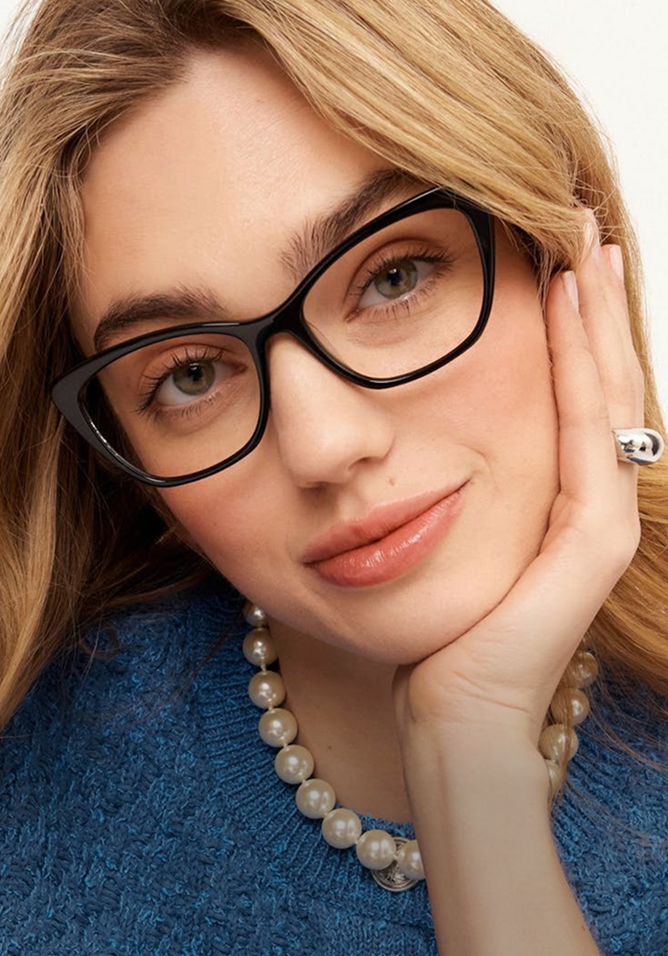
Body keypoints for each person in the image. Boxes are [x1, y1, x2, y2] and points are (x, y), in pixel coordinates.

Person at [0, 0, 666, 952]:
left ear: (564, 254)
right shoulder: (32, 775)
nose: (323, 446)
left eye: (393, 277)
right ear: (133, 462)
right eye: (190, 376)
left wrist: (473, 762)